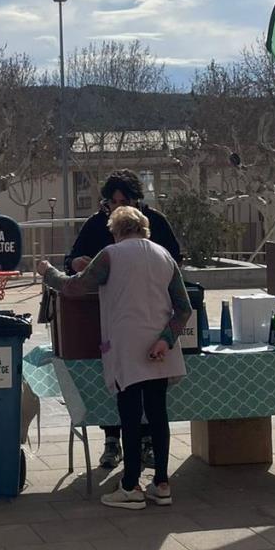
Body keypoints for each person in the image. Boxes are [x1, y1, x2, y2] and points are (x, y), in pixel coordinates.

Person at [39, 206, 191, 509]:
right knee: (158, 416)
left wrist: (48, 273)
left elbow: (75, 286)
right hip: (160, 347)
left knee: (130, 417)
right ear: (144, 228)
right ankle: (162, 483)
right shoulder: (165, 256)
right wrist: (166, 340)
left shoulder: (111, 254)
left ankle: (131, 485)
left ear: (116, 230)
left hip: (126, 345)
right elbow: (183, 308)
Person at [64, 169, 181, 469]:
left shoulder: (156, 223)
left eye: (123, 201)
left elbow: (175, 261)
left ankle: (140, 458)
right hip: (107, 317)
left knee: (143, 399)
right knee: (124, 390)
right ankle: (112, 440)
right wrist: (74, 263)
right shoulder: (95, 224)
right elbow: (73, 264)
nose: (116, 207)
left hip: (148, 319)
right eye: (111, 202)